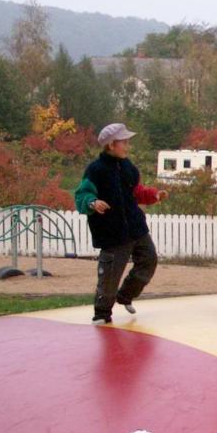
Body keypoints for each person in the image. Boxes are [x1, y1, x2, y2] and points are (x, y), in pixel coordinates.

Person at [74, 123, 168, 324]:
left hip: (137, 228)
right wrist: (92, 203)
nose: (127, 146)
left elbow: (136, 192)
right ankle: (102, 313)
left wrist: (154, 195)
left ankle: (125, 295)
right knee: (110, 275)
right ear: (111, 145)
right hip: (112, 232)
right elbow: (82, 195)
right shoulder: (95, 170)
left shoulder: (128, 167)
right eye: (124, 142)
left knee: (149, 260)